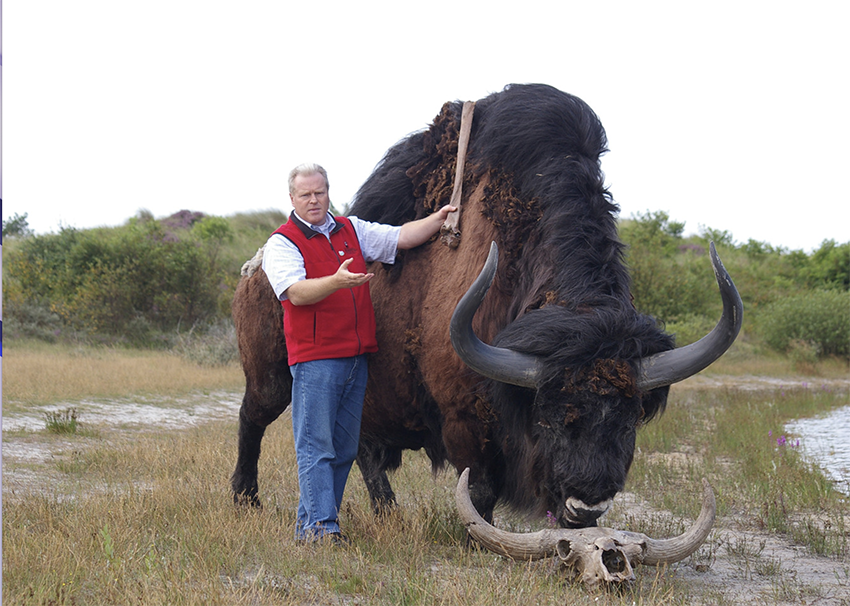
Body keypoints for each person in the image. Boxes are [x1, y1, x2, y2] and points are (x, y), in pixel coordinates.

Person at [262, 163, 456, 544]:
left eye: (320, 192)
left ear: (328, 191)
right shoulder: (281, 243)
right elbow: (295, 292)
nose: (314, 200)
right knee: (315, 446)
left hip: (356, 359)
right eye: (306, 195)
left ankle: (312, 526)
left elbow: (399, 237)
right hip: (316, 360)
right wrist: (335, 281)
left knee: (344, 448)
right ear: (292, 199)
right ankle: (323, 529)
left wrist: (438, 218)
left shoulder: (350, 229)